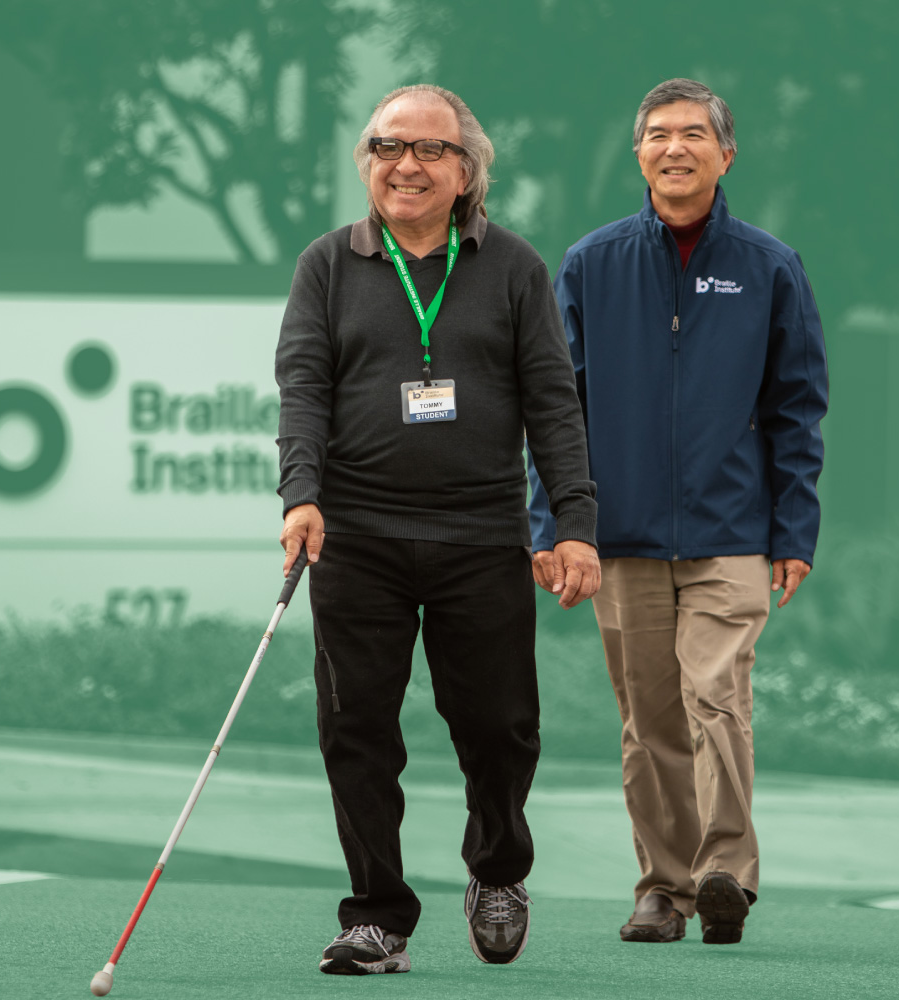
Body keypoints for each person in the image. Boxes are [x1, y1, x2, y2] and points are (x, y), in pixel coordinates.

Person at [276, 83, 600, 975]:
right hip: (358, 537)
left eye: (428, 150)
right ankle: (377, 914)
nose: (405, 165)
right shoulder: (328, 265)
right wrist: (300, 493)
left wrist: (572, 523)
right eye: (387, 147)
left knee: (500, 727)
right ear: (366, 162)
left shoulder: (514, 268)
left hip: (481, 535)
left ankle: (497, 869)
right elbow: (303, 386)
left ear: (467, 170)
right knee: (356, 729)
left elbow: (554, 405)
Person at [529, 78, 828, 946]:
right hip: (617, 536)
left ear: (725, 153)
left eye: (694, 133)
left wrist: (794, 529)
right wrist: (554, 525)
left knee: (714, 694)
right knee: (648, 719)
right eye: (658, 134)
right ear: (639, 155)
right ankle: (663, 886)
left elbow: (797, 409)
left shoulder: (770, 267)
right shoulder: (590, 265)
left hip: (732, 531)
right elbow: (556, 412)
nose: (675, 147)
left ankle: (725, 869)